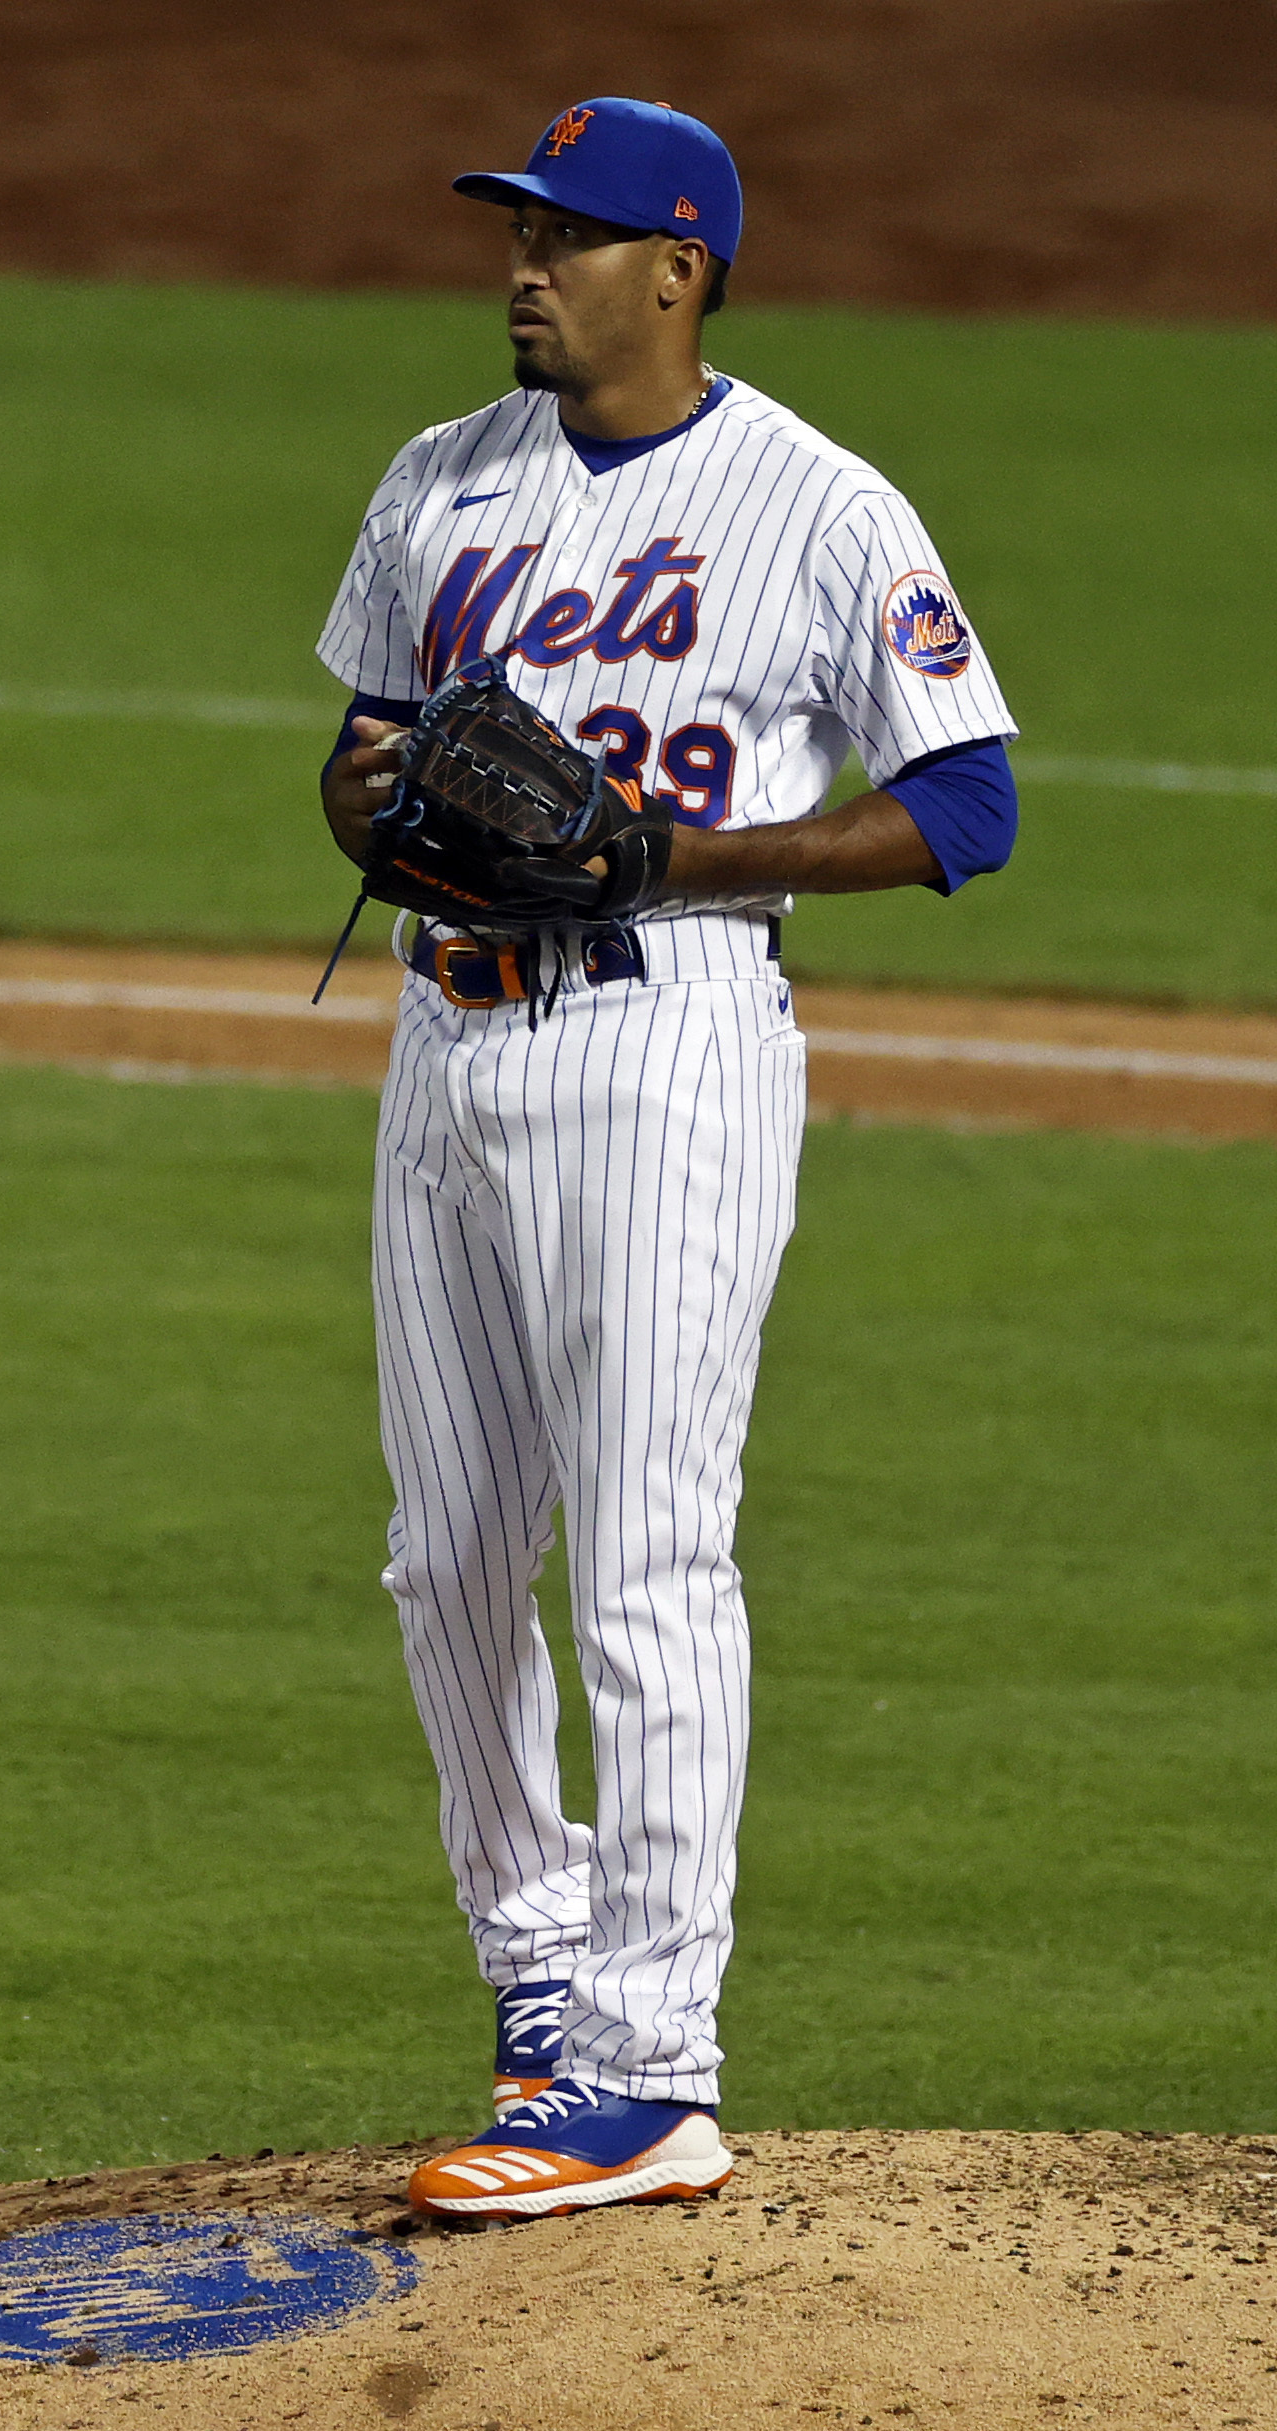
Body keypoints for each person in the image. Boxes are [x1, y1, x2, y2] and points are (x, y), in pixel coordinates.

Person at [316, 96, 1017, 2220]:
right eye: (517, 232)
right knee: (444, 1554)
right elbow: (356, 756)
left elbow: (965, 808)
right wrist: (389, 814)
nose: (524, 265)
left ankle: (650, 2069)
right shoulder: (439, 483)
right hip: (449, 1041)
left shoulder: (813, 502)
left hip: (671, 1041)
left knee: (642, 1557)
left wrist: (671, 851)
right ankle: (543, 1969)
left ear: (678, 269)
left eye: (569, 236)